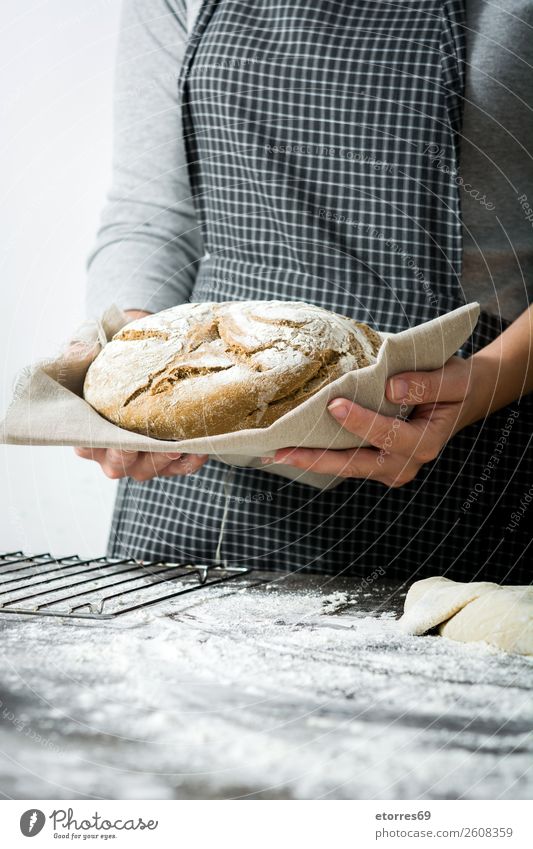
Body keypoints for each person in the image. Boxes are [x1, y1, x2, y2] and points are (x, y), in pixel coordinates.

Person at [78, 0, 533, 582]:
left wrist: (489, 380)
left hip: (463, 443)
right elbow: (152, 211)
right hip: (199, 467)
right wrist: (129, 361)